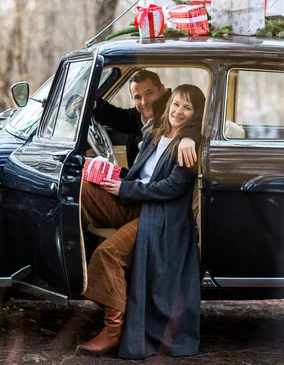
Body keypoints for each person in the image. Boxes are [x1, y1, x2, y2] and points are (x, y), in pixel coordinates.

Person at [77, 84, 205, 359]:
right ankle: (74, 265)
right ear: (168, 103)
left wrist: (124, 189)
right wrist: (113, 176)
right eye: (176, 104)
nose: (179, 111)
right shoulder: (155, 134)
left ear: (196, 114)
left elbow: (171, 188)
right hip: (137, 204)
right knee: (83, 189)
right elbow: (141, 174)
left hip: (159, 215)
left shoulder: (187, 146)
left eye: (188, 107)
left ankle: (113, 331)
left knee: (108, 253)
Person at [93, 70, 200, 168]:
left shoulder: (173, 111)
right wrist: (92, 104)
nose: (144, 102)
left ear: (161, 89)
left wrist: (188, 136)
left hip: (150, 185)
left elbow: (200, 118)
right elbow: (115, 116)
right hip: (137, 180)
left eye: (149, 93)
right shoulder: (138, 117)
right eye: (138, 97)